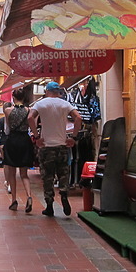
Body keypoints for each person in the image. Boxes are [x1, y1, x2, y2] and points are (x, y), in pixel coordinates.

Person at [28, 81, 82, 217]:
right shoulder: (65, 104)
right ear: (58, 92)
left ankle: (50, 205)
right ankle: (64, 194)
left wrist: (36, 136)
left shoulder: (41, 104)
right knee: (63, 174)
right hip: (62, 145)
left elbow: (30, 117)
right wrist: (73, 138)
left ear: (47, 91)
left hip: (46, 146)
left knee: (47, 177)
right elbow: (78, 118)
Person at [2, 88, 34, 213]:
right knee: (24, 173)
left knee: (11, 173)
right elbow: (32, 126)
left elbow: (7, 129)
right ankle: (29, 196)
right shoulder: (29, 111)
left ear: (13, 98)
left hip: (13, 140)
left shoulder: (8, 111)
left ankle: (14, 200)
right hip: (25, 140)